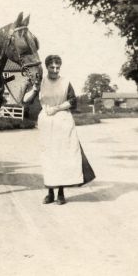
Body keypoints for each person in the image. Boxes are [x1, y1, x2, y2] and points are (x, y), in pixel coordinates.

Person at [24, 55, 95, 205]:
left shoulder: (65, 82)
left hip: (63, 120)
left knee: (62, 156)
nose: (55, 70)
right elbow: (25, 100)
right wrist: (35, 89)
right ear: (47, 67)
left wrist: (56, 108)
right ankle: (50, 192)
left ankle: (61, 193)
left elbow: (72, 101)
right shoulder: (40, 82)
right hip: (46, 121)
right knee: (49, 156)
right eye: (52, 67)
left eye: (57, 67)